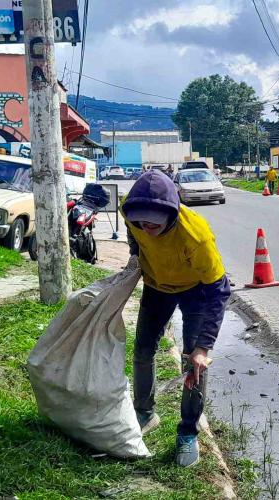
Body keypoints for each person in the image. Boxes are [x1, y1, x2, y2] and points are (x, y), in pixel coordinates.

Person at [122, 170, 231, 467]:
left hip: (196, 291)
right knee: (143, 350)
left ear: (171, 214)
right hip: (157, 287)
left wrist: (204, 347)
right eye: (140, 221)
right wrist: (135, 253)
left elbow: (220, 292)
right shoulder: (129, 211)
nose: (146, 227)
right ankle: (145, 413)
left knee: (193, 363)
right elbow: (134, 232)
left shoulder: (196, 236)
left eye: (153, 224)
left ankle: (187, 432)